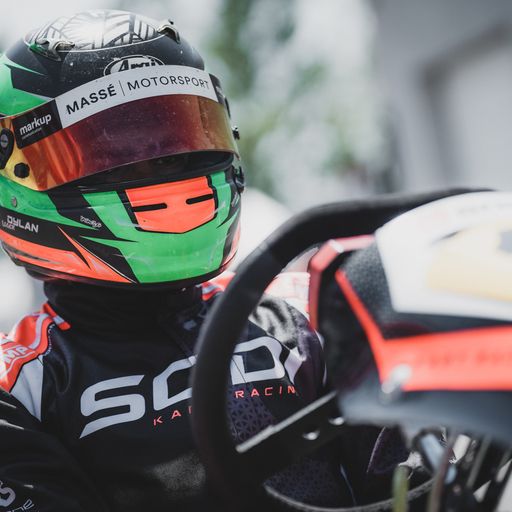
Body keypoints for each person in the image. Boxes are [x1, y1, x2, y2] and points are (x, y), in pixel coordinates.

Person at [0, 10, 422, 511]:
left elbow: (418, 486)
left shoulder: (310, 312)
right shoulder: (21, 385)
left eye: (175, 146)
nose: (159, 167)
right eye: (109, 153)